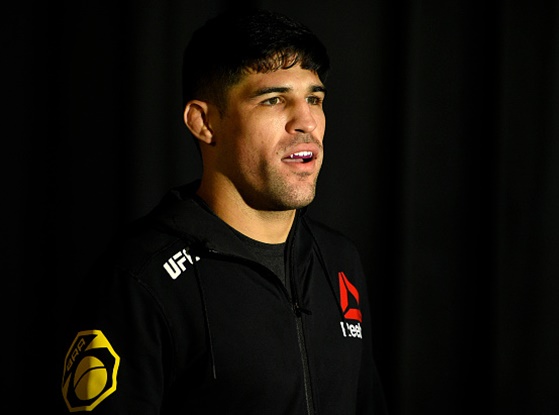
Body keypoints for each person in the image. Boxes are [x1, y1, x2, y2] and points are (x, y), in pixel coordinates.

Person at [58, 8, 389, 414]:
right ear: (204, 122)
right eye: (274, 99)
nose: (306, 122)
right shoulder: (141, 279)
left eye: (314, 99)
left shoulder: (338, 261)